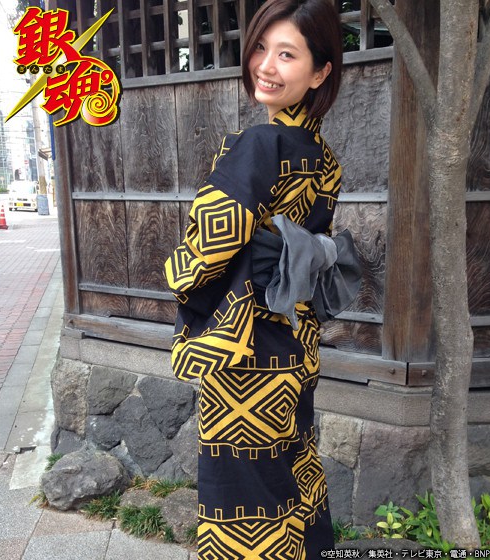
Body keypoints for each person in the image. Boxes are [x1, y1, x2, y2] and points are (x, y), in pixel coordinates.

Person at [165, 0, 347, 557]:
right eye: (261, 48)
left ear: (320, 72)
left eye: (287, 54)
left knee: (243, 496)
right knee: (293, 472)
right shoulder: (323, 158)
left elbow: (208, 249)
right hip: (296, 340)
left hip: (246, 354)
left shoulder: (259, 145)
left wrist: (180, 277)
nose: (266, 65)